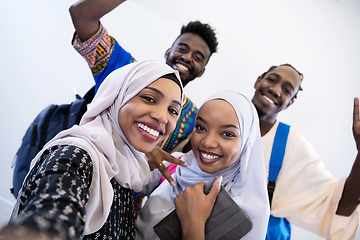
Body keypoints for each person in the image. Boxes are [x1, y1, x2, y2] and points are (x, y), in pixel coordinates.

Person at [0, 60, 183, 240]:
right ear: (118, 96)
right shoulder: (76, 154)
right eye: (149, 99)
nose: (162, 117)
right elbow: (55, 209)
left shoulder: (128, 170)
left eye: (173, 110)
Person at [69, 0, 219, 184]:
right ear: (168, 52)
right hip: (83, 169)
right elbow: (81, 16)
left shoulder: (193, 118)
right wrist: (147, 148)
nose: (187, 57)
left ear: (201, 72)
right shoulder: (126, 71)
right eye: (182, 49)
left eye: (197, 57)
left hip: (130, 197)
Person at [136, 91, 270, 240]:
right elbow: (124, 181)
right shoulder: (175, 165)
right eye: (201, 128)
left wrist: (193, 223)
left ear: (246, 142)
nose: (207, 142)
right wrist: (140, 155)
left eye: (227, 134)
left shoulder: (249, 208)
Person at [252, 63, 360, 239]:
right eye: (272, 80)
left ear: (290, 103)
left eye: (287, 90)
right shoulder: (218, 113)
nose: (276, 90)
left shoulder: (292, 146)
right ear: (258, 81)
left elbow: (336, 204)